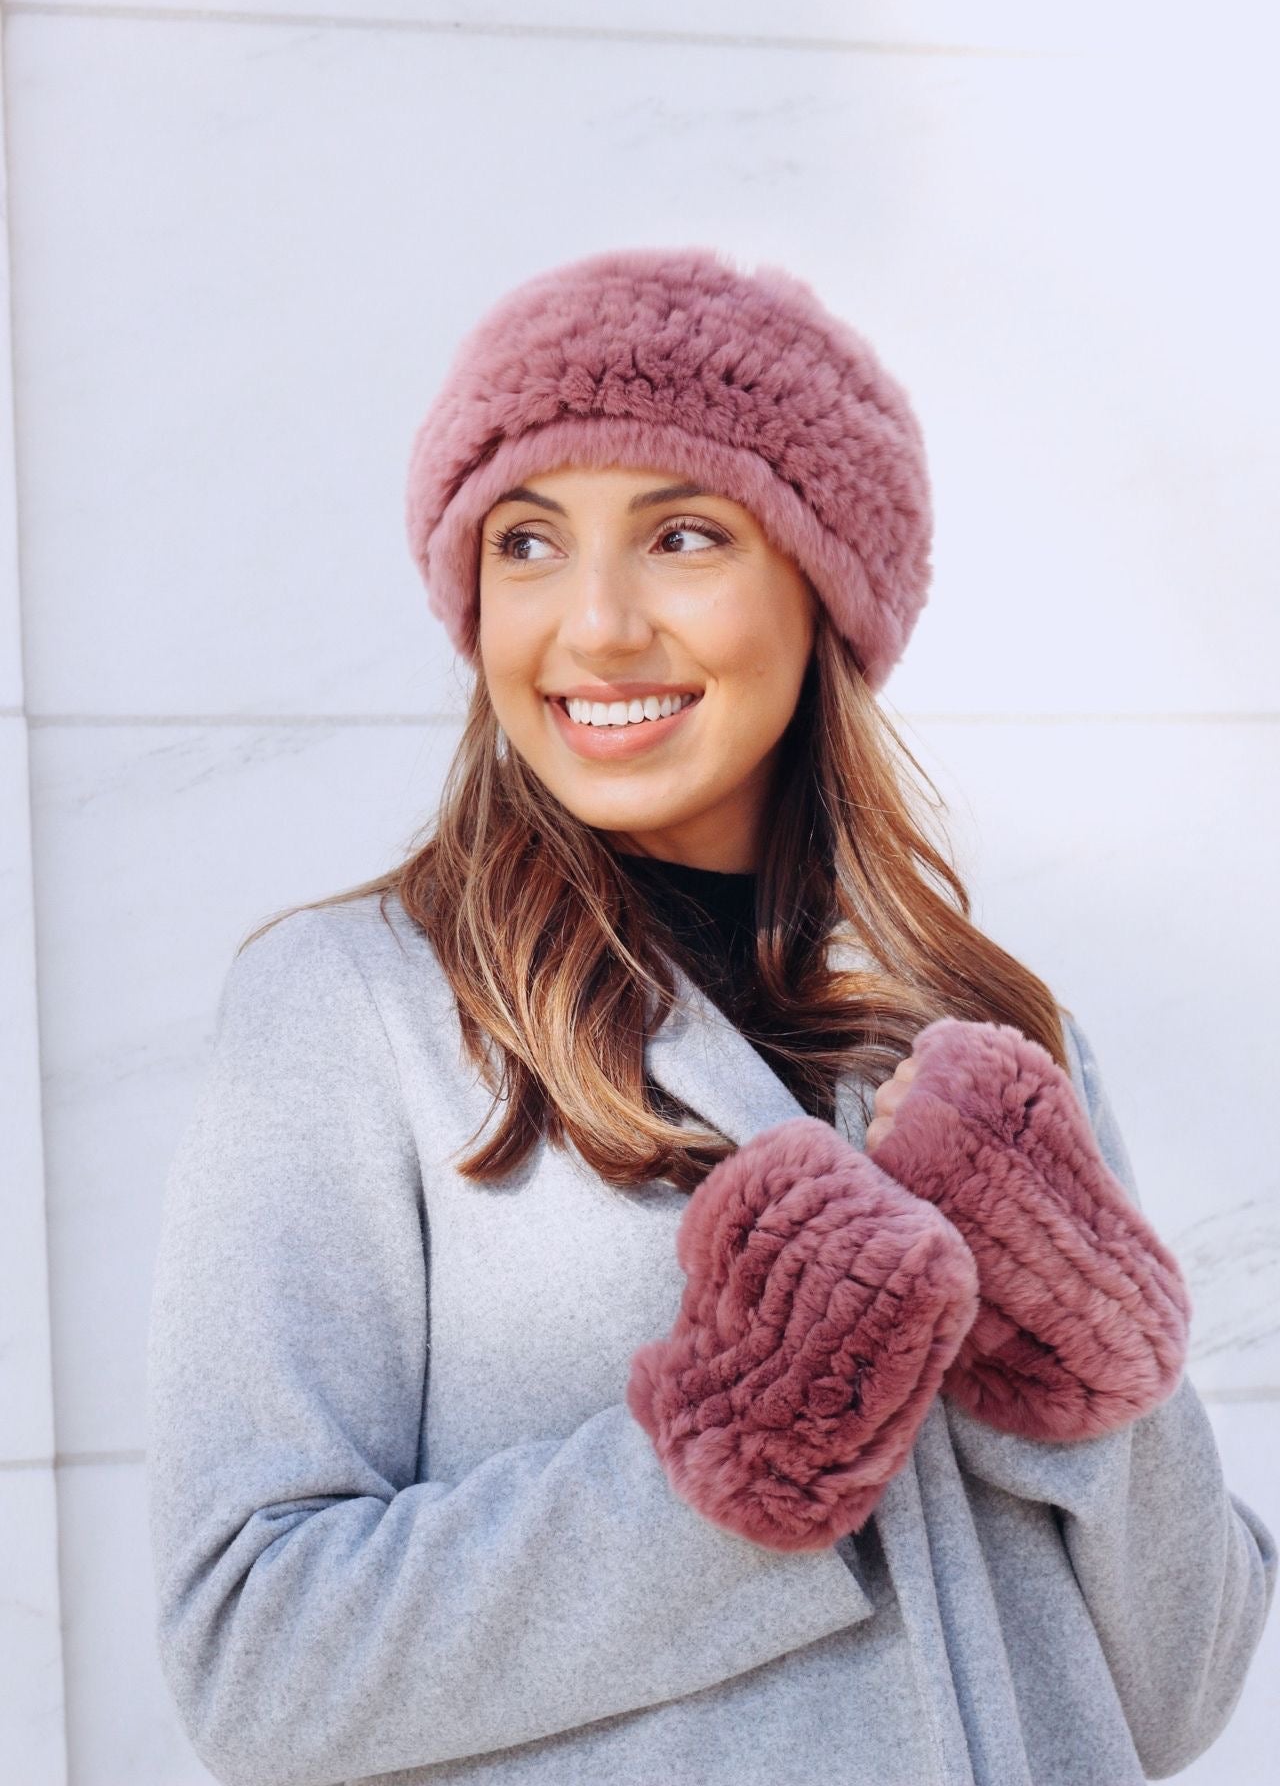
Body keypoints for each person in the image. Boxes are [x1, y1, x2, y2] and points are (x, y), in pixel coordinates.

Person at [146, 245, 1276, 1786]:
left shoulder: (994, 1038)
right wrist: (724, 1467)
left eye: (683, 535)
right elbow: (253, 1662)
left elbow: (1174, 1698)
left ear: (825, 586)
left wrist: (1104, 1382)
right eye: (528, 542)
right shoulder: (359, 1015)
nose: (597, 625)